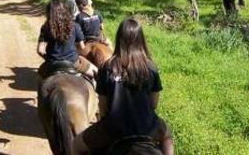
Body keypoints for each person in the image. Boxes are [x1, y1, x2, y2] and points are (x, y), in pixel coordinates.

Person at [72, 19, 174, 155]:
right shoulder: (151, 68)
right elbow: (154, 104)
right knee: (167, 135)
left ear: (119, 39)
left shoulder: (106, 67)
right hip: (147, 127)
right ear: (141, 40)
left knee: (76, 144)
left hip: (114, 129)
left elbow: (103, 107)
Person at [37, 0, 96, 79]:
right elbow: (82, 47)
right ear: (64, 11)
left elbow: (40, 50)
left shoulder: (45, 28)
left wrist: (47, 58)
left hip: (52, 63)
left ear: (49, 13)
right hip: (73, 62)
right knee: (96, 72)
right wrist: (75, 53)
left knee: (40, 76)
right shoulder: (74, 26)